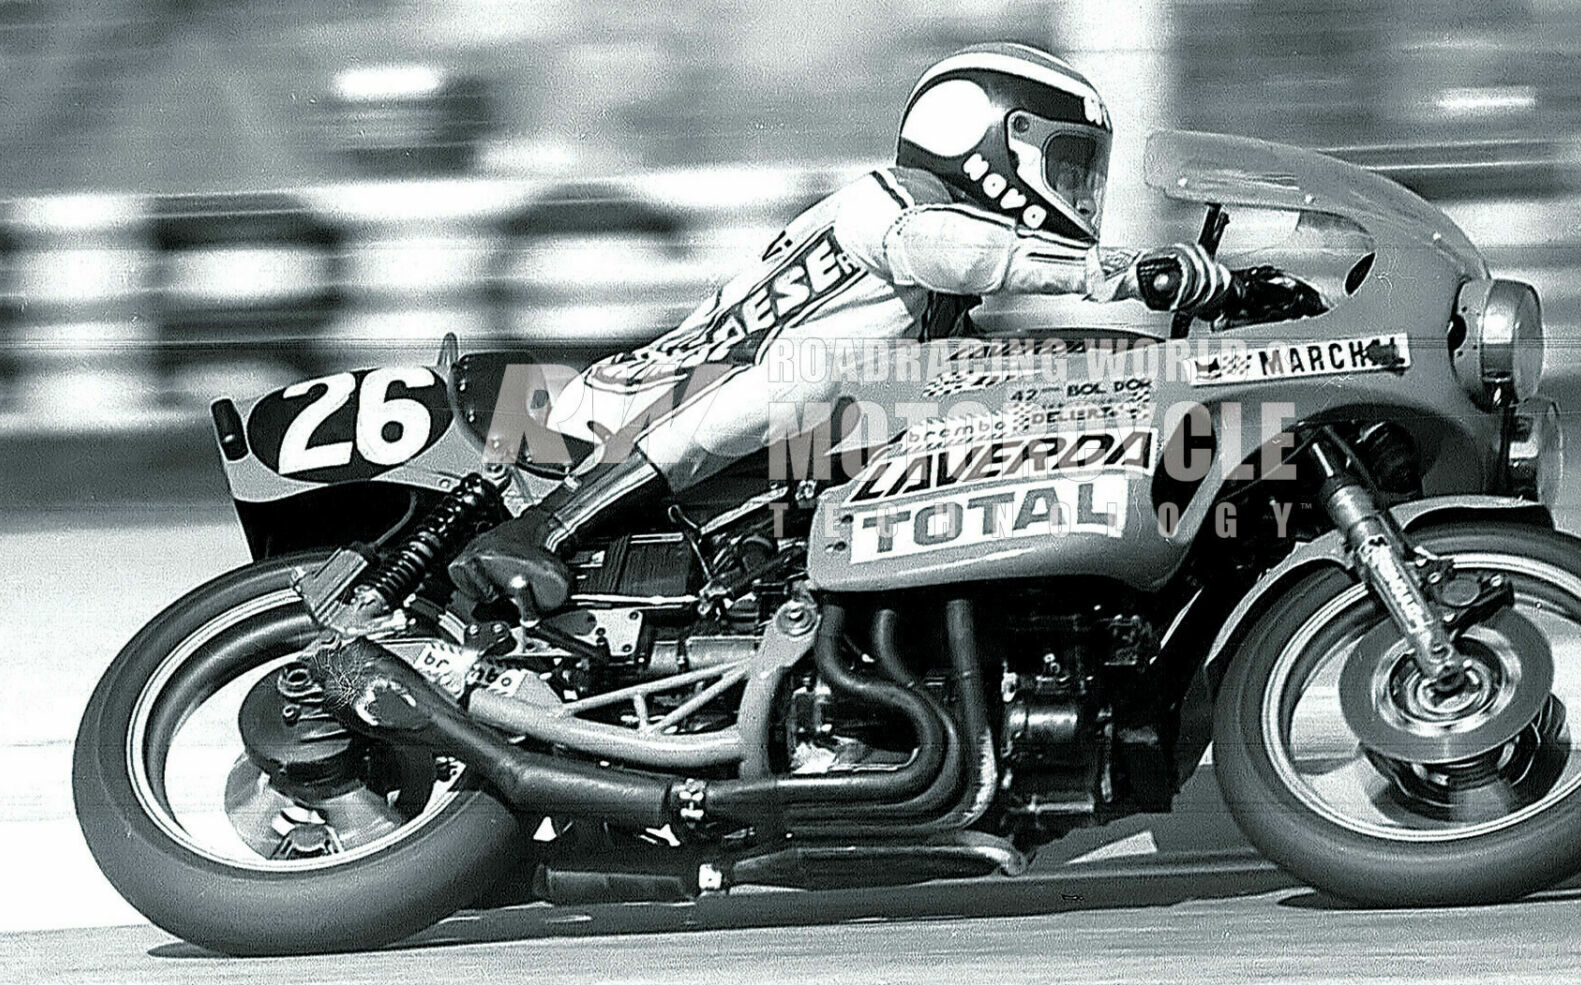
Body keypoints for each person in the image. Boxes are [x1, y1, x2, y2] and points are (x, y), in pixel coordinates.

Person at [449, 42, 1232, 610]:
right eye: (1064, 167)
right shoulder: (892, 209)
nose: (1076, 194)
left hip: (735, 448)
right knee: (810, 373)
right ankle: (544, 529)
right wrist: (1126, 273)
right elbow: (968, 254)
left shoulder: (931, 292)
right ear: (989, 140)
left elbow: (1009, 355)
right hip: (634, 413)